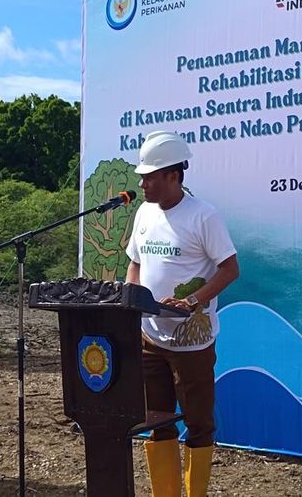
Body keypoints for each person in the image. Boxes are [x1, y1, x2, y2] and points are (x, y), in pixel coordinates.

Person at [125, 131, 239, 497]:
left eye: (150, 176)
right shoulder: (143, 212)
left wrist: (193, 302)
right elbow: (135, 263)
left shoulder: (203, 215)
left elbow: (229, 269)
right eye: (142, 176)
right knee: (157, 421)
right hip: (150, 338)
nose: (142, 184)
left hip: (191, 343)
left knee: (198, 422)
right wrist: (132, 296)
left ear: (173, 175)